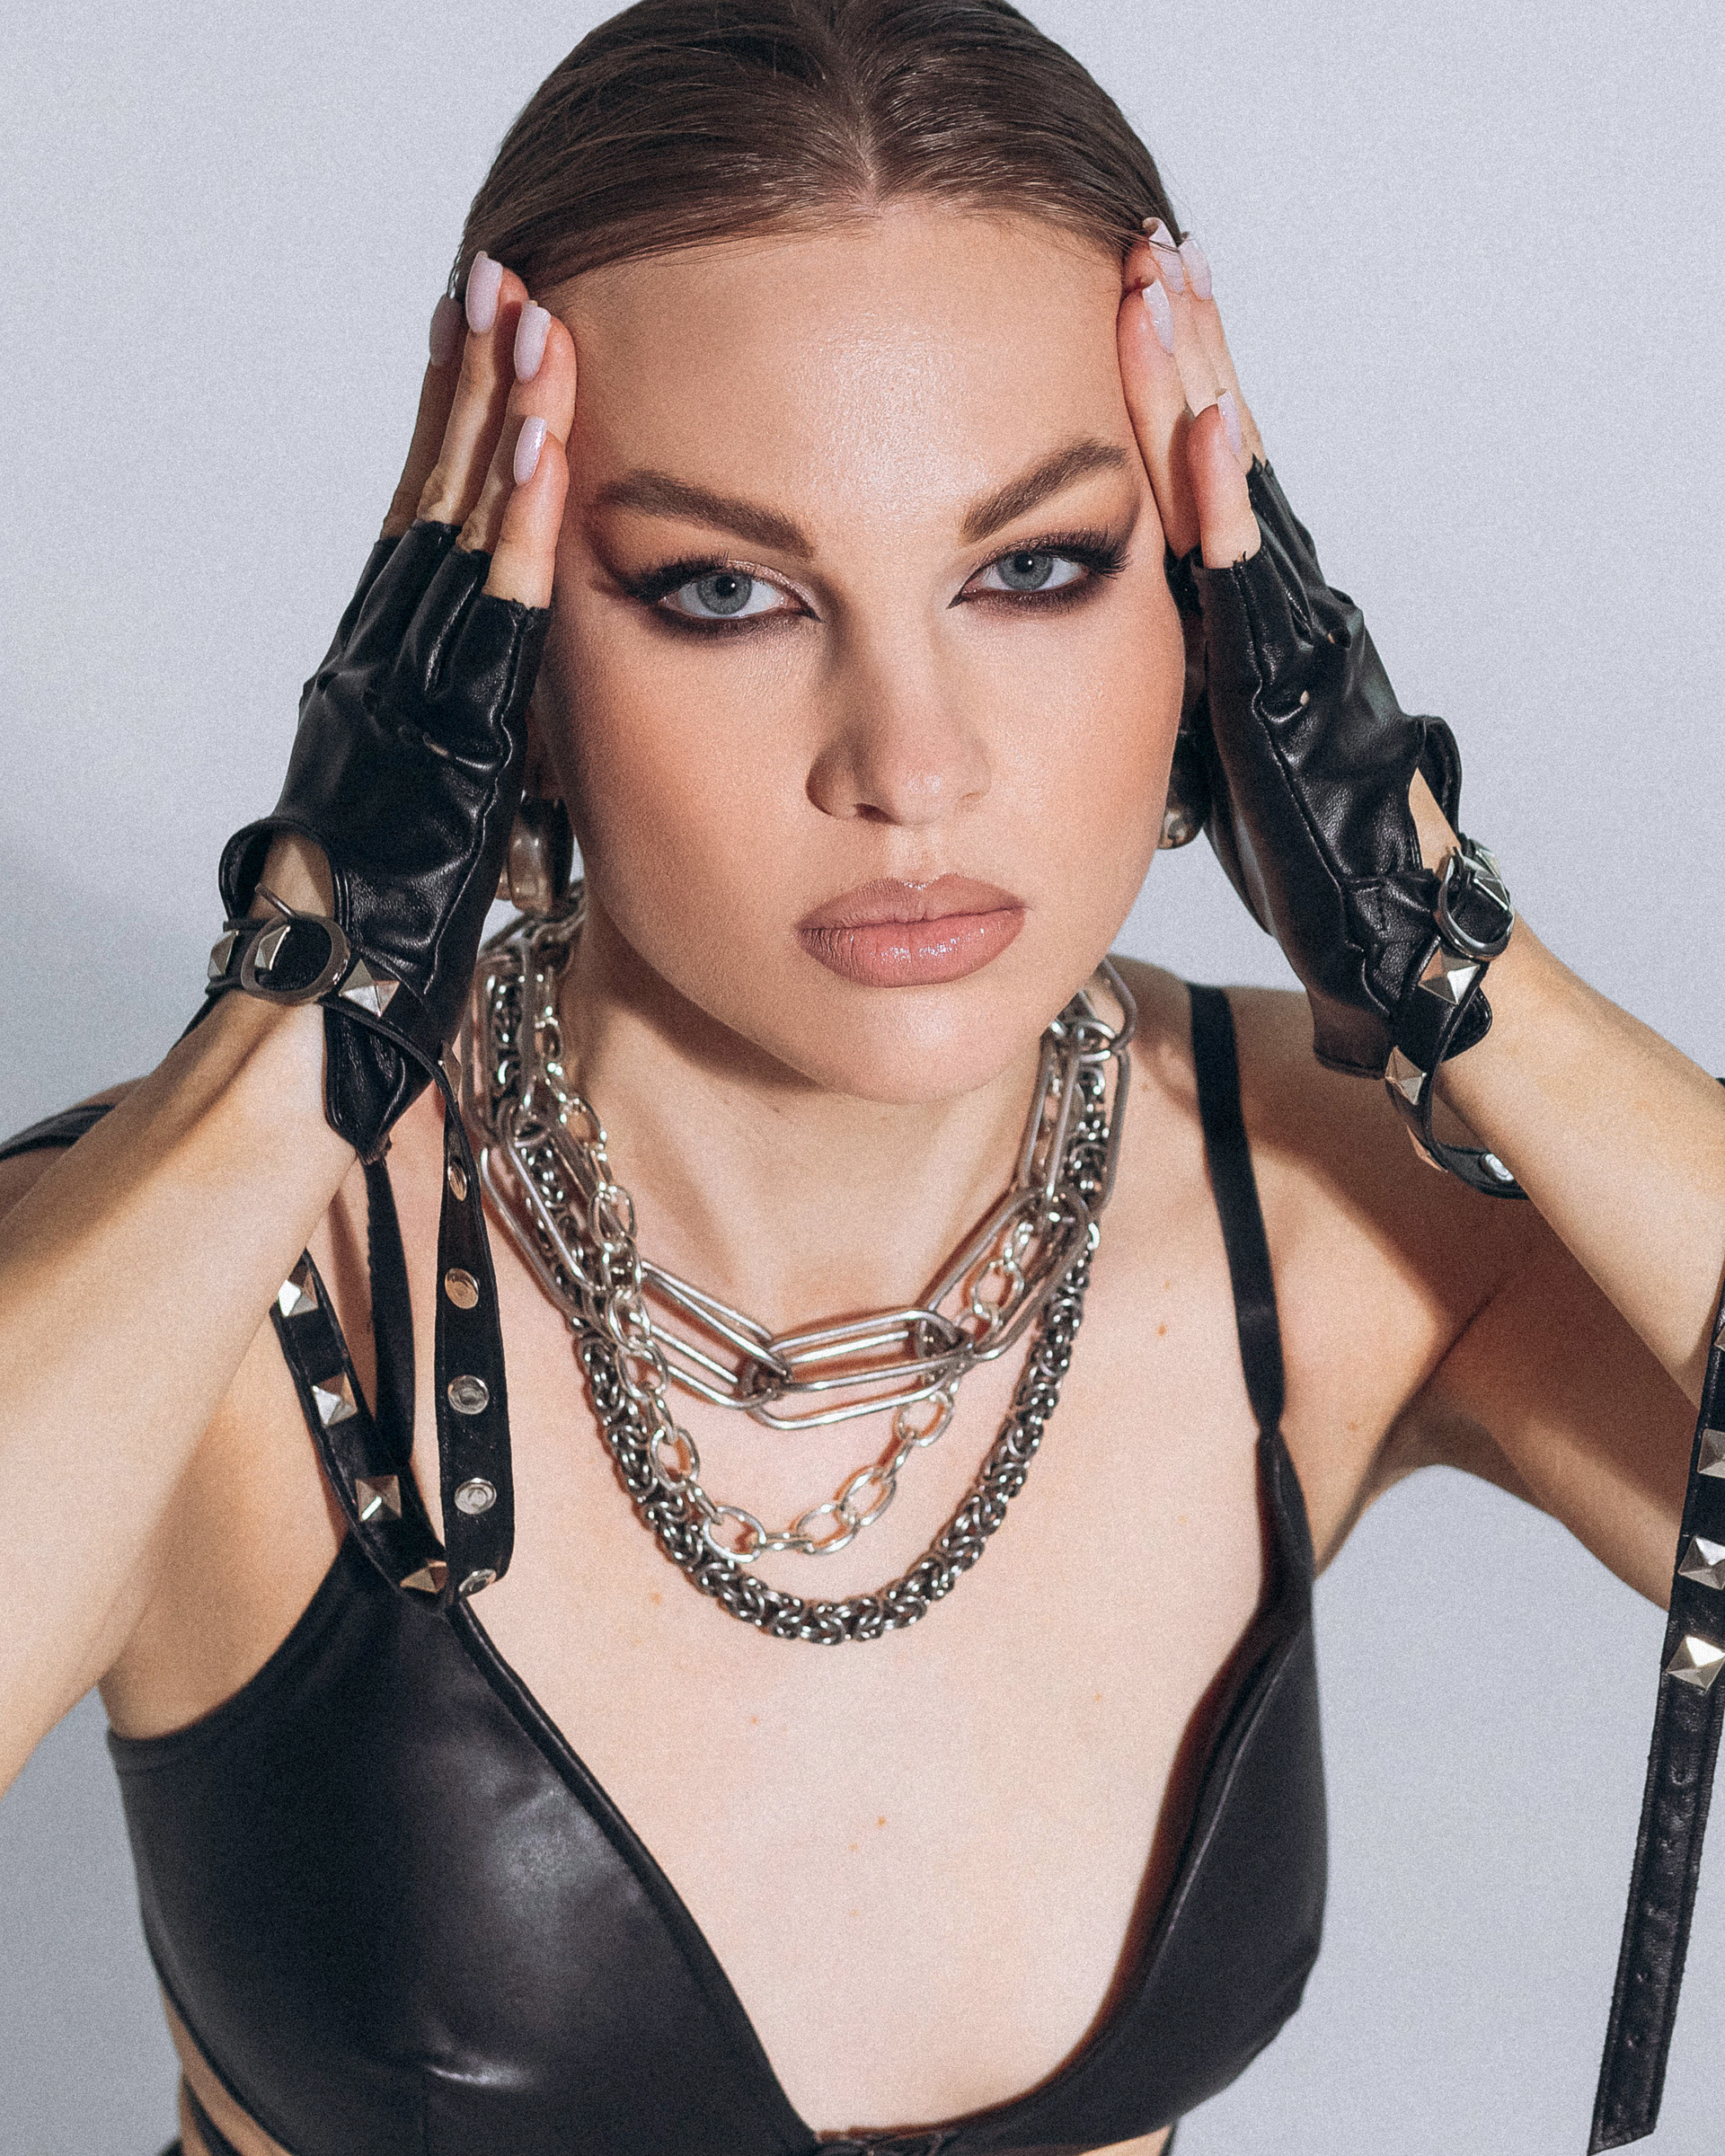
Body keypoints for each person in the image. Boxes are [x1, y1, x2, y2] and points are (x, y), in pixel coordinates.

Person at [2, 3, 1721, 2152]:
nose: (910, 763)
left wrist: (1452, 948)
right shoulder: (208, 1266)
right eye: (725, 590)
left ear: (1213, 618)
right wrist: (292, 1034)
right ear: (505, 659)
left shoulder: (1328, 1202)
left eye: (1035, 568)